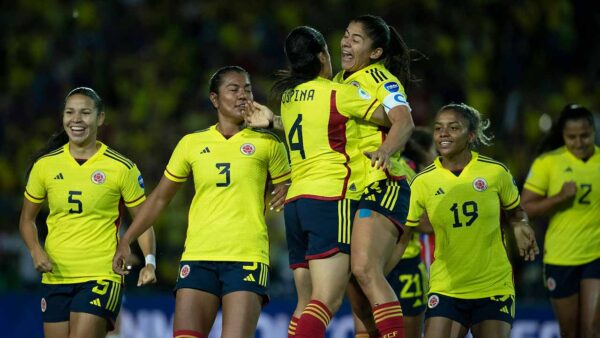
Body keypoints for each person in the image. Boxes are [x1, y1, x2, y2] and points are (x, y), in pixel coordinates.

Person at [245, 25, 401, 338]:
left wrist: (273, 120)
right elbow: (390, 117)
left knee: (305, 302)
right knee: (327, 299)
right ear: (321, 57)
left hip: (296, 205)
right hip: (330, 199)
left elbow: (311, 125)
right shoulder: (338, 93)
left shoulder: (289, 98)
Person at [112, 66, 291, 338]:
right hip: (198, 256)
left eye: (247, 88)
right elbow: (160, 198)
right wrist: (127, 240)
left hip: (246, 257)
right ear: (215, 100)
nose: (243, 95)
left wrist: (288, 185)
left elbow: (289, 187)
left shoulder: (269, 144)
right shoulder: (191, 144)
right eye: (233, 89)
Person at [19, 87, 157, 338]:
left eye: (85, 113)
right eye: (70, 112)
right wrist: (35, 249)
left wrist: (149, 261)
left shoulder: (121, 167)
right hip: (56, 276)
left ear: (100, 118)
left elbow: (144, 221)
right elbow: (26, 220)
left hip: (101, 274)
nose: (76, 119)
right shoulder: (45, 166)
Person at [405, 103, 539, 338]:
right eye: (438, 128)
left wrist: (521, 225)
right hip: (446, 287)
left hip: (493, 286)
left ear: (471, 135)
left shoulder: (495, 172)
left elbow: (516, 211)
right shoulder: (422, 182)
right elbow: (406, 230)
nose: (443, 133)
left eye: (453, 128)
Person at [333, 14, 416, 337]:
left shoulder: (381, 78)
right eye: (345, 35)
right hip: (350, 190)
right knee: (358, 290)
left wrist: (386, 151)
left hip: (382, 181)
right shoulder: (339, 81)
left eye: (356, 39)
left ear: (376, 52)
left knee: (365, 269)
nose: (345, 42)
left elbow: (404, 121)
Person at [521, 104, 599, 338]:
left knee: (593, 330)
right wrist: (558, 198)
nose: (578, 143)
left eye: (584, 136)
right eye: (571, 137)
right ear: (563, 136)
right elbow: (524, 208)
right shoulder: (548, 162)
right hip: (561, 256)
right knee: (570, 333)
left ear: (593, 132)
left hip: (596, 254)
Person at [352, 127, 436, 338]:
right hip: (404, 264)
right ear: (424, 150)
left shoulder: (374, 165)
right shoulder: (408, 173)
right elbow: (424, 224)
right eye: (434, 150)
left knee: (366, 328)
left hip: (370, 258)